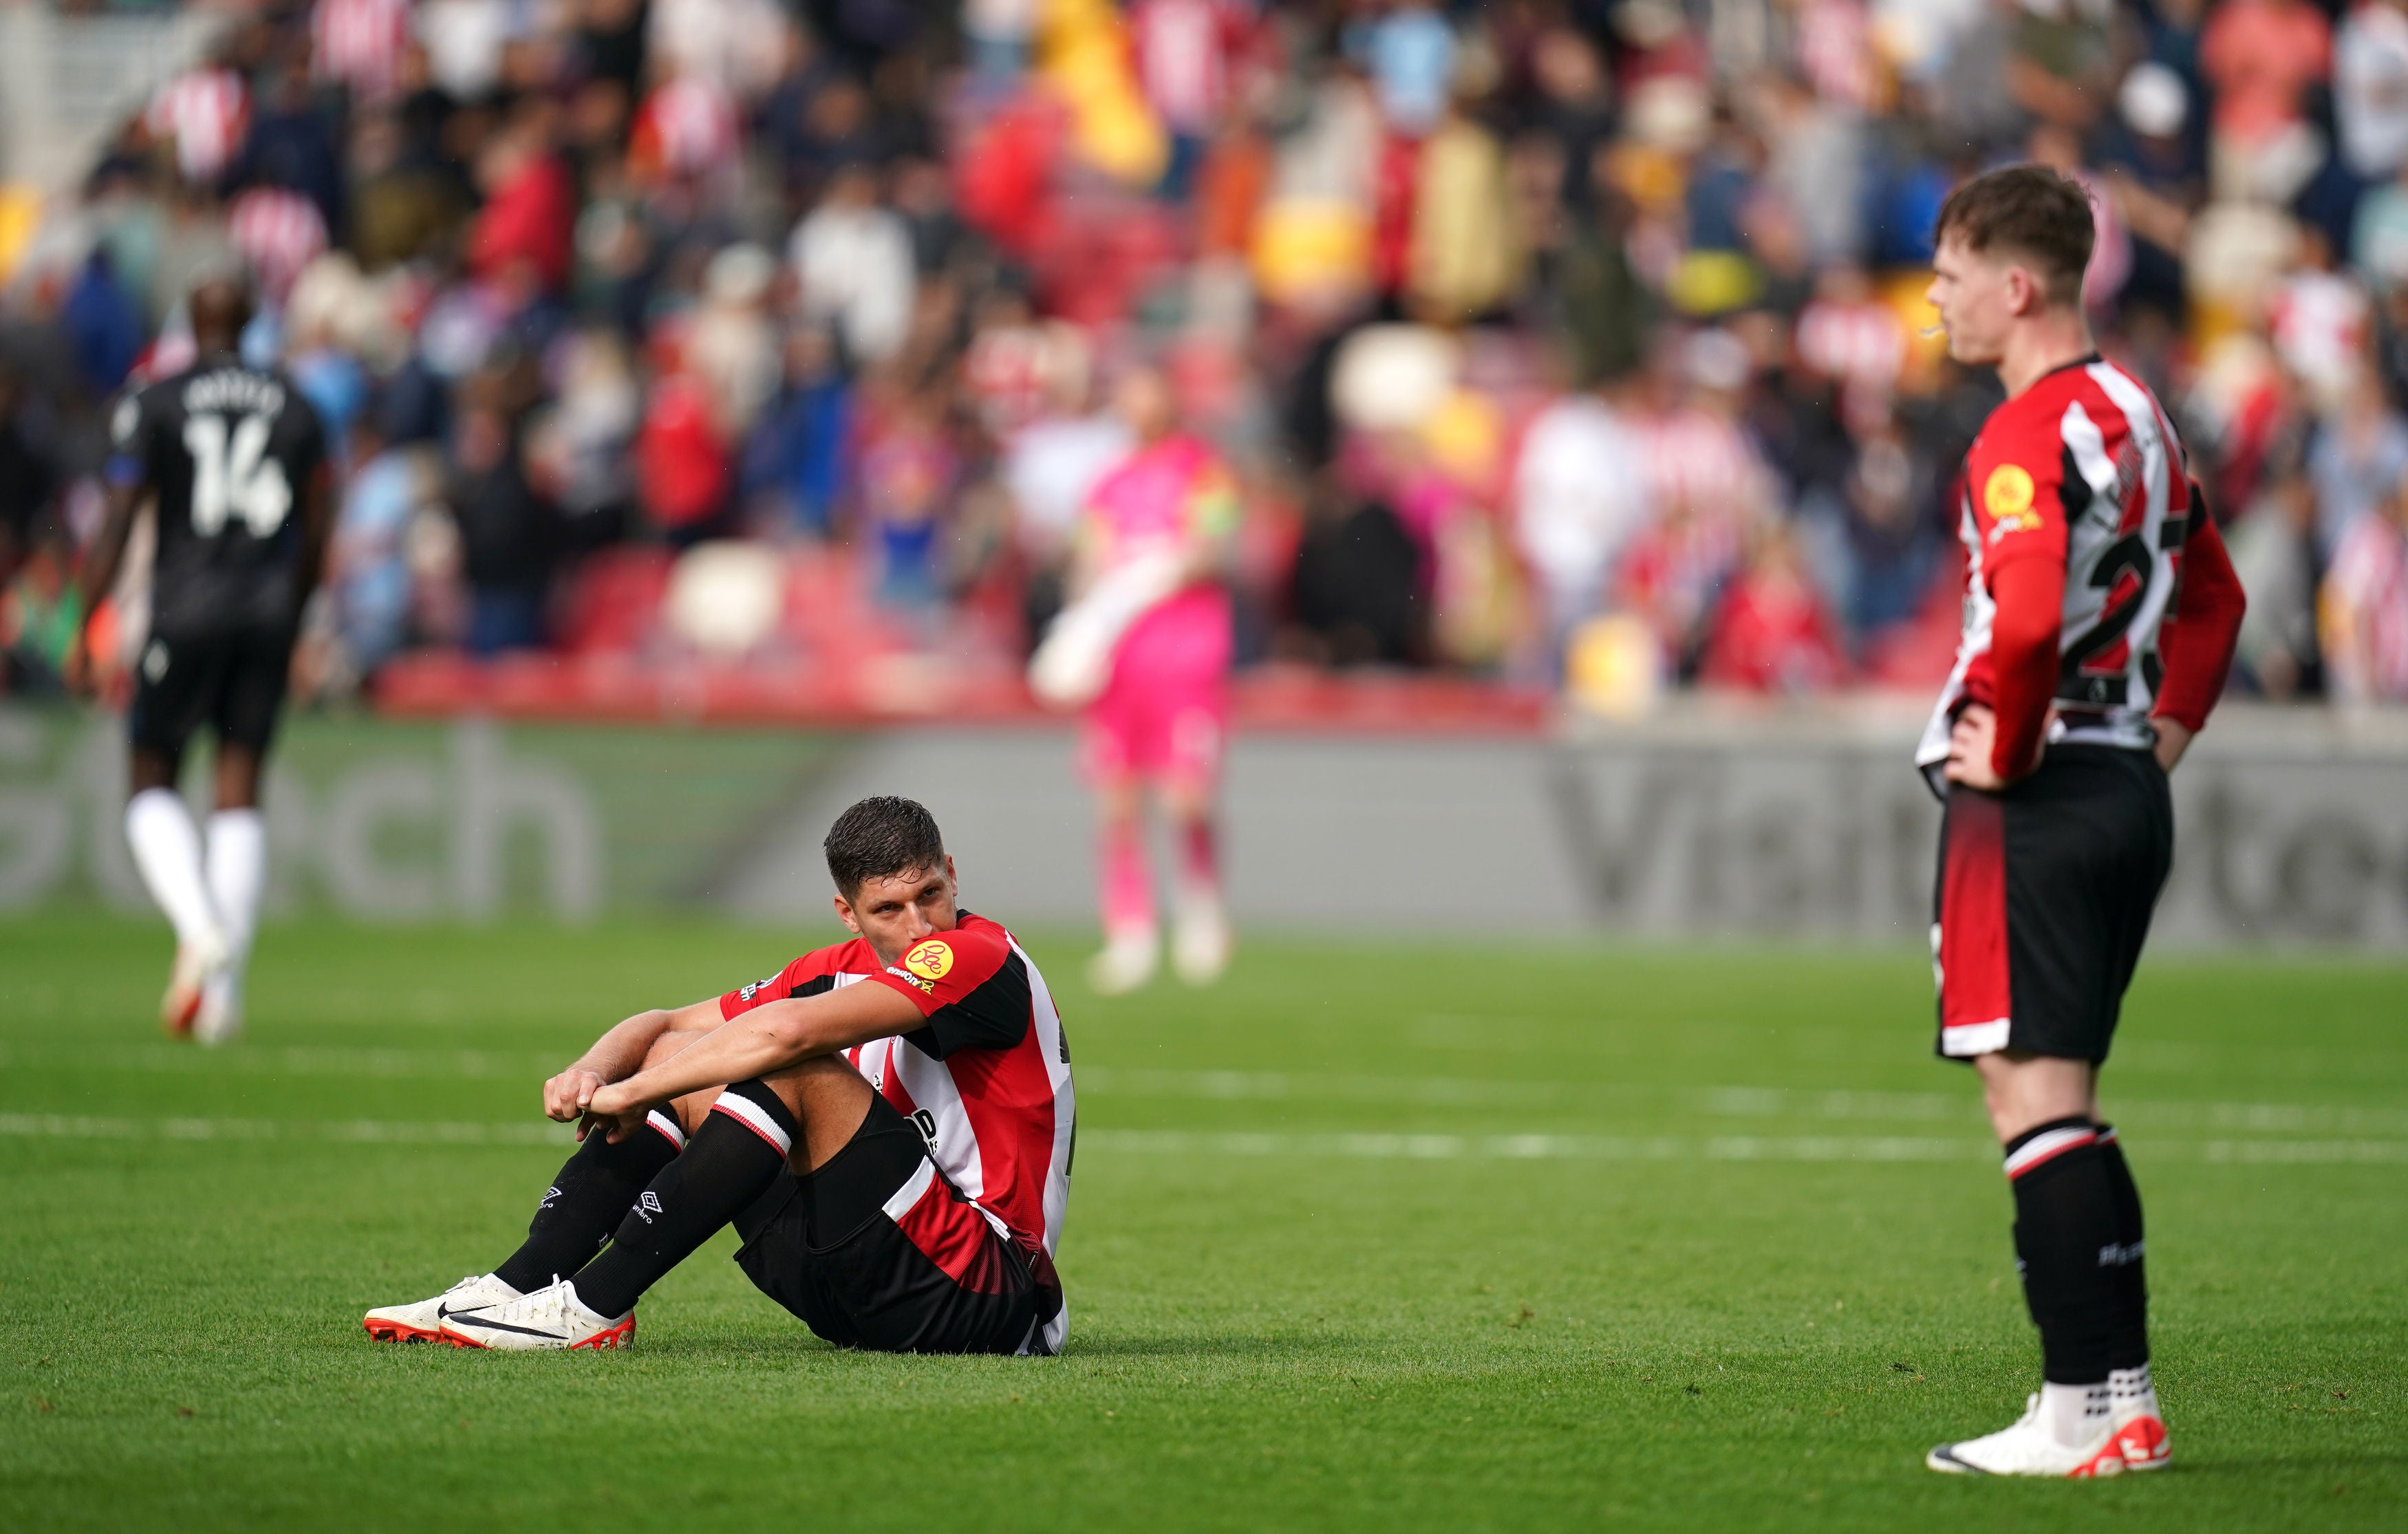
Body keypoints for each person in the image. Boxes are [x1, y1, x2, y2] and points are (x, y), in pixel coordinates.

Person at [1915, 166, 2246, 1478]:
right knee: (2065, 1096)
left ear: (2015, 283)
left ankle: (2084, 1411)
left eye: (1948, 273)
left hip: (2042, 800)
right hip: (2125, 785)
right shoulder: (2142, 417)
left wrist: (2012, 722)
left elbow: (2035, 602)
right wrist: (2159, 738)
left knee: (2032, 1096)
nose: (1932, 298)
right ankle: (2115, 1398)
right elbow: (2214, 598)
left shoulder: (2020, 434)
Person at [363, 796, 1073, 1356]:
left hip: (985, 1293)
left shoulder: (974, 957)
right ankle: (513, 1286)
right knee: (691, 1060)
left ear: (952, 871)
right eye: (888, 908)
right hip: (870, 1279)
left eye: (930, 892)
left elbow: (786, 1034)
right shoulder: (835, 966)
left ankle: (590, 1307)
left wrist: (637, 1093)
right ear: (847, 912)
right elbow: (664, 1024)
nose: (919, 924)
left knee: (787, 1065)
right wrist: (592, 1070)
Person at [69, 274, 334, 1046]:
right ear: (251, 322)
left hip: (183, 608)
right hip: (265, 611)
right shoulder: (297, 402)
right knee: (239, 787)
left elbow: (120, 517)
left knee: (149, 776)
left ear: (192, 318)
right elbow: (317, 530)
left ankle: (197, 926)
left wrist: (86, 618)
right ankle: (221, 1000)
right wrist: (298, 616)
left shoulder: (155, 398)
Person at [1038, 367, 1240, 995]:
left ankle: (1203, 914)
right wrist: (1078, 631)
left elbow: (1217, 547)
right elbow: (1088, 562)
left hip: (1184, 655)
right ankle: (1131, 931)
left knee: (1186, 796)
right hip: (1118, 668)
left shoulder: (1202, 469)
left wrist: (1154, 572)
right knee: (1118, 801)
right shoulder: (1107, 484)